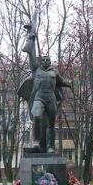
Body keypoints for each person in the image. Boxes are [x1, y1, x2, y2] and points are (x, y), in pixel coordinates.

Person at [18, 25, 71, 153]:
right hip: (39, 97)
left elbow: (63, 82)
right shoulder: (36, 69)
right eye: (44, 59)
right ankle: (36, 142)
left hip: (51, 98)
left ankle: (50, 146)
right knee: (36, 116)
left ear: (50, 61)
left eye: (48, 59)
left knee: (51, 125)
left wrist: (70, 83)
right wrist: (31, 38)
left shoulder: (55, 73)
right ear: (41, 61)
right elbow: (32, 55)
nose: (46, 61)